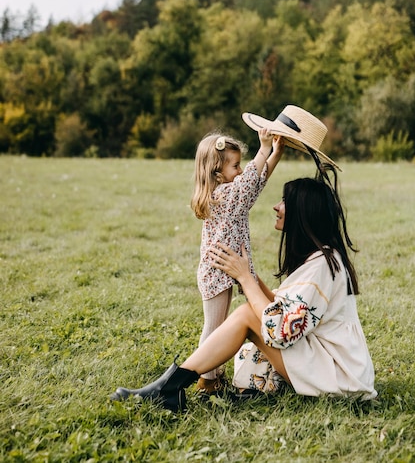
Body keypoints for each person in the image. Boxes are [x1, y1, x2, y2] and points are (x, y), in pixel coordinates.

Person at [110, 165, 377, 412]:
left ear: (302, 213)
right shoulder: (322, 257)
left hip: (340, 378)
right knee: (249, 311)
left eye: (284, 201)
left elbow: (282, 330)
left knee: (247, 314)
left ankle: (169, 387)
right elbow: (287, 310)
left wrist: (247, 281)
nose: (276, 206)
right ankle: (173, 385)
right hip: (331, 366)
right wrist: (248, 276)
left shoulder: (322, 264)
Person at [190, 128, 284, 394]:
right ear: (217, 172)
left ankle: (212, 374)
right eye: (235, 165)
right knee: (214, 326)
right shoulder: (225, 196)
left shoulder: (233, 195)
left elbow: (257, 181)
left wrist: (275, 154)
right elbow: (250, 181)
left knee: (217, 325)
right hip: (217, 270)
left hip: (222, 269)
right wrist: (264, 148)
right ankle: (208, 381)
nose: (241, 170)